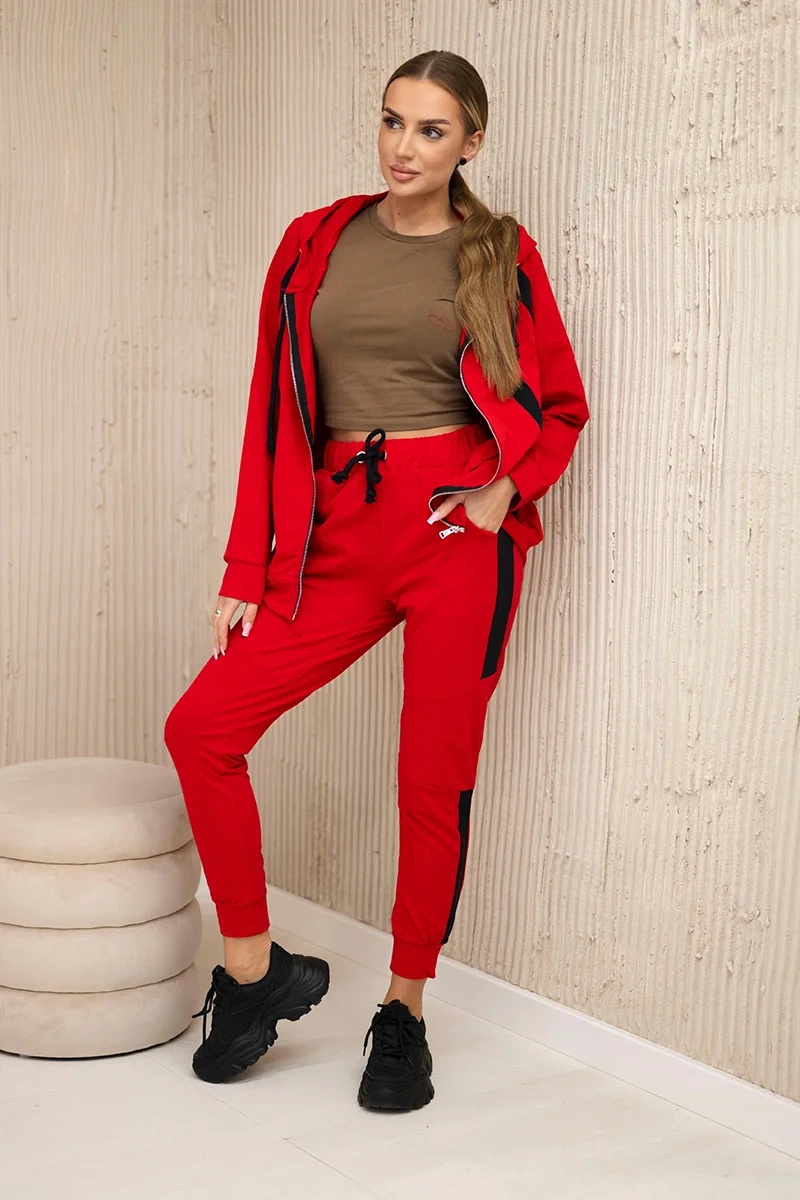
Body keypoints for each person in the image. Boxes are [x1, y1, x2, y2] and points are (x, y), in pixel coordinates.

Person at [163, 48, 589, 1113]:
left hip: (453, 536)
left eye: (431, 130)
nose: (403, 147)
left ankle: (404, 1010)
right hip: (334, 535)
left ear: (471, 143)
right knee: (202, 729)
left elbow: (560, 405)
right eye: (393, 121)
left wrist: (500, 493)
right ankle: (254, 975)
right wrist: (247, 565)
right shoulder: (315, 240)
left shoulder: (499, 253)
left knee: (428, 778)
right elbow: (271, 409)